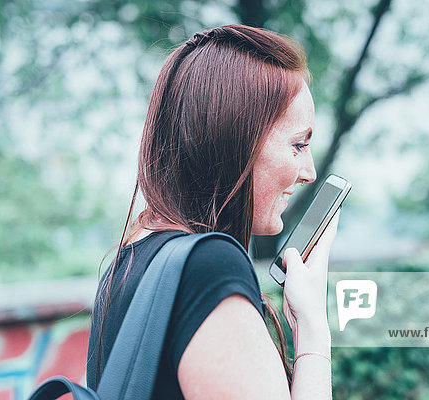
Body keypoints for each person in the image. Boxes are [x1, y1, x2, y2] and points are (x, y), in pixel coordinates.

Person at [87, 24, 339, 399]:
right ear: (237, 141)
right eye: (298, 145)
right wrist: (313, 329)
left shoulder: (127, 263)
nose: (309, 172)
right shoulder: (209, 268)